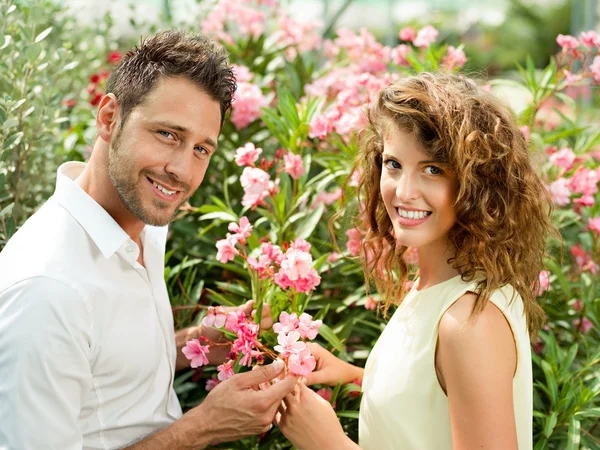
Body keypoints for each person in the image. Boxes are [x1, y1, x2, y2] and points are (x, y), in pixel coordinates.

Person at [0, 30, 297, 450]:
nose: (182, 170)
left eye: (201, 149)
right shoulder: (47, 292)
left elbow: (100, 368)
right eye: (168, 135)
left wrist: (194, 342)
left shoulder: (144, 227)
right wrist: (204, 427)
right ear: (108, 118)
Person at [277, 72, 555, 450]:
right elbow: (437, 397)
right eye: (393, 164)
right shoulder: (441, 288)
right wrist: (353, 375)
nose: (404, 191)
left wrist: (330, 444)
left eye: (432, 170)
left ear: (477, 185)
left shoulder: (469, 323)